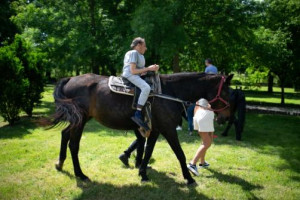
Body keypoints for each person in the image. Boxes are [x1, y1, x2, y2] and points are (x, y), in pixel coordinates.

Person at [122, 37, 159, 130]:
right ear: (138, 45)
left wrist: (151, 68)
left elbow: (140, 71)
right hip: (130, 75)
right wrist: (148, 69)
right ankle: (137, 113)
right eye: (144, 46)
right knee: (146, 88)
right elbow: (133, 71)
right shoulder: (134, 53)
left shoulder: (139, 55)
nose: (145, 48)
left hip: (134, 75)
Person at [187, 98, 215, 176]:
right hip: (205, 115)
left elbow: (197, 104)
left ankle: (202, 162)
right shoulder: (209, 104)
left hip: (198, 115)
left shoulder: (200, 100)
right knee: (207, 143)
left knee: (204, 142)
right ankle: (192, 164)